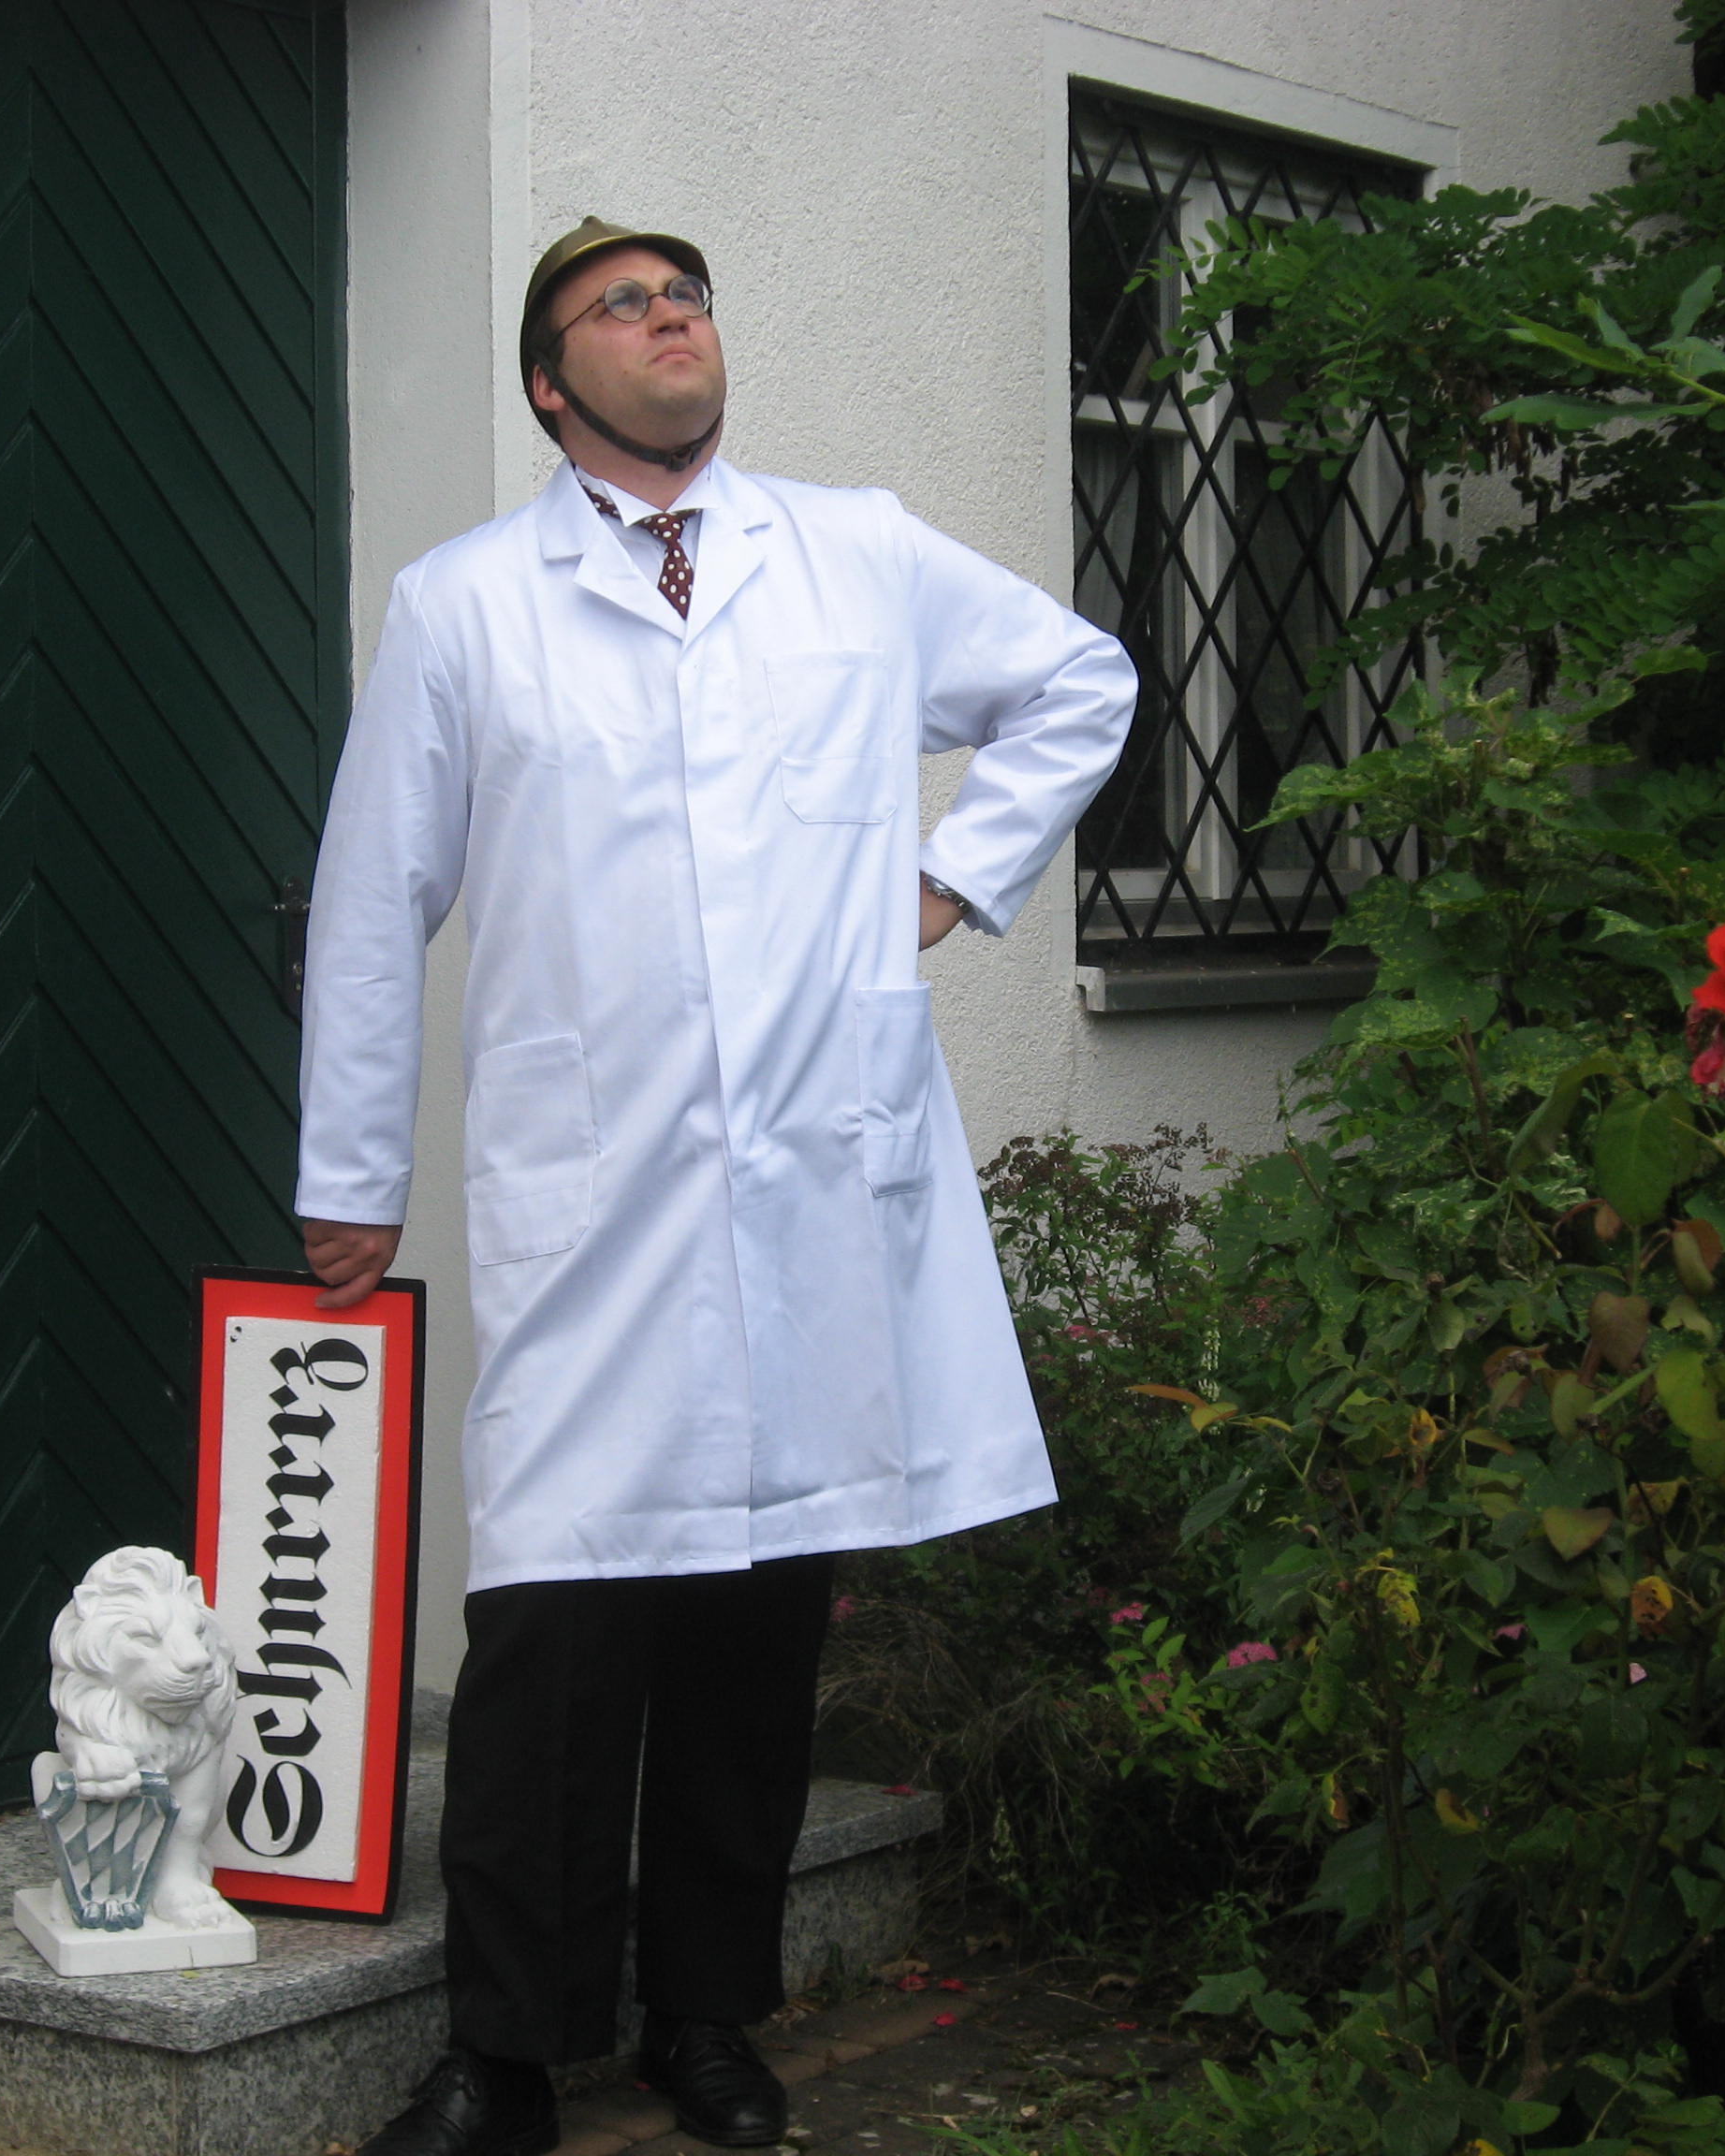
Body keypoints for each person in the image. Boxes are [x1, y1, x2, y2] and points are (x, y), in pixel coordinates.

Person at [294, 217, 1135, 2156]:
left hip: (810, 1189)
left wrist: (953, 880)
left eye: (687, 295)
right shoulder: (466, 606)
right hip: (588, 1195)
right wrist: (351, 1169)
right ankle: (507, 2057)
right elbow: (370, 897)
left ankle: (707, 2021)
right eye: (622, 304)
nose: (670, 317)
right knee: (554, 1629)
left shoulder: (853, 554)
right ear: (550, 385)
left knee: (756, 1628)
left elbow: (1080, 681)